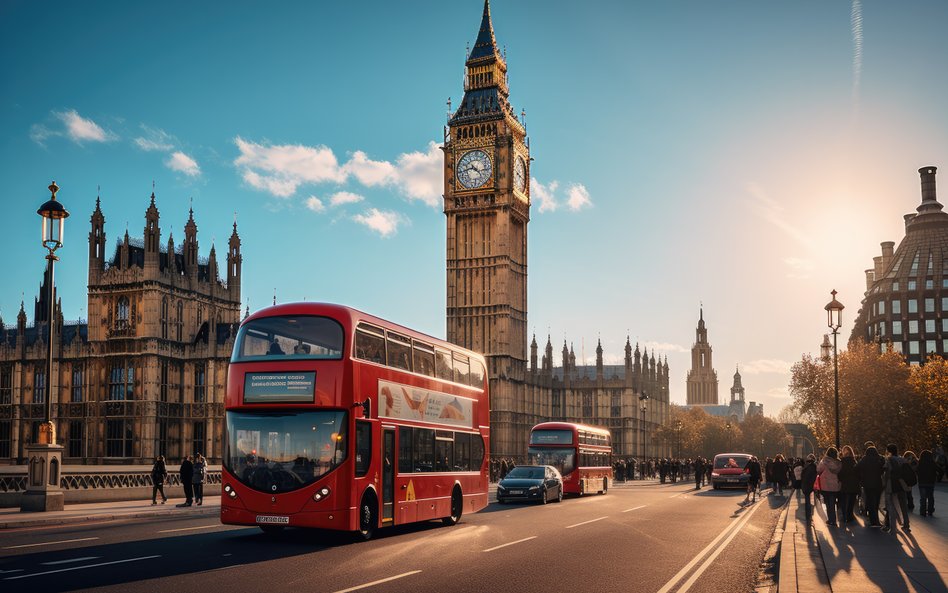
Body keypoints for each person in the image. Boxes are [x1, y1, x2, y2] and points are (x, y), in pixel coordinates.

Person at [882, 443, 910, 534]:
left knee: (891, 507)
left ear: (888, 451)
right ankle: (906, 525)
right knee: (903, 506)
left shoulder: (889, 460)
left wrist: (884, 485)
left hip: (892, 485)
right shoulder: (902, 459)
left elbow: (886, 474)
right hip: (902, 484)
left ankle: (893, 528)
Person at [856, 444, 884, 527]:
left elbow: (856, 469)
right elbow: (883, 470)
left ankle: (873, 520)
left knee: (870, 500)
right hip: (878, 484)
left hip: (867, 484)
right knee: (876, 503)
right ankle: (875, 520)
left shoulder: (864, 460)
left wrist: (861, 478)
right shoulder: (879, 459)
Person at [817, 447, 842, 527]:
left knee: (828, 503)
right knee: (833, 503)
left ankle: (831, 520)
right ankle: (834, 520)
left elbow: (818, 470)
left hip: (825, 485)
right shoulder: (838, 463)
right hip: (835, 486)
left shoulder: (824, 461)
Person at [839, 445, 860, 523]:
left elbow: (840, 473)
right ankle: (850, 516)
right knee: (851, 501)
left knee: (844, 501)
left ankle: (845, 516)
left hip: (844, 484)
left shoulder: (841, 462)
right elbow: (858, 473)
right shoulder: (854, 461)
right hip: (853, 484)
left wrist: (840, 479)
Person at [917, 449, 937, 517]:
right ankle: (930, 511)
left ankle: (923, 512)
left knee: (923, 498)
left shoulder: (919, 462)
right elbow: (940, 470)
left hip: (922, 483)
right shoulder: (932, 463)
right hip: (930, 483)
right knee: (930, 497)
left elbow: (916, 471)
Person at [800, 454, 818, 525]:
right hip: (812, 486)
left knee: (807, 501)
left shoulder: (806, 467)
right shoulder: (815, 467)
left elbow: (803, 476)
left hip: (806, 486)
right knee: (812, 501)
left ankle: (808, 516)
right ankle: (810, 516)